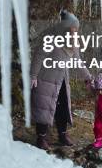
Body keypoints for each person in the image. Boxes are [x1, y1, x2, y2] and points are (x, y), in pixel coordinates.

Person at [30, 10, 92, 150]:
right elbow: (39, 56)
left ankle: (62, 135)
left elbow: (78, 62)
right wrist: (33, 76)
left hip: (62, 78)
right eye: (72, 28)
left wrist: (88, 78)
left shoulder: (73, 41)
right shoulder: (51, 37)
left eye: (76, 28)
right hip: (46, 77)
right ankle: (41, 138)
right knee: (44, 106)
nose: (75, 31)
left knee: (63, 106)